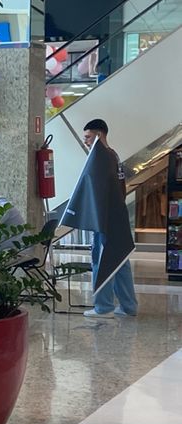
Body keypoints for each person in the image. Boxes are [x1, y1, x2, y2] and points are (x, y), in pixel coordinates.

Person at [81, 118, 138, 318]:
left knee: (102, 259)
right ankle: (129, 306)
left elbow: (96, 192)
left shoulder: (100, 157)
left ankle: (103, 307)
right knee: (120, 260)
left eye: (88, 137)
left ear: (99, 135)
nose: (85, 141)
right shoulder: (113, 155)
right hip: (117, 215)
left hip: (104, 219)